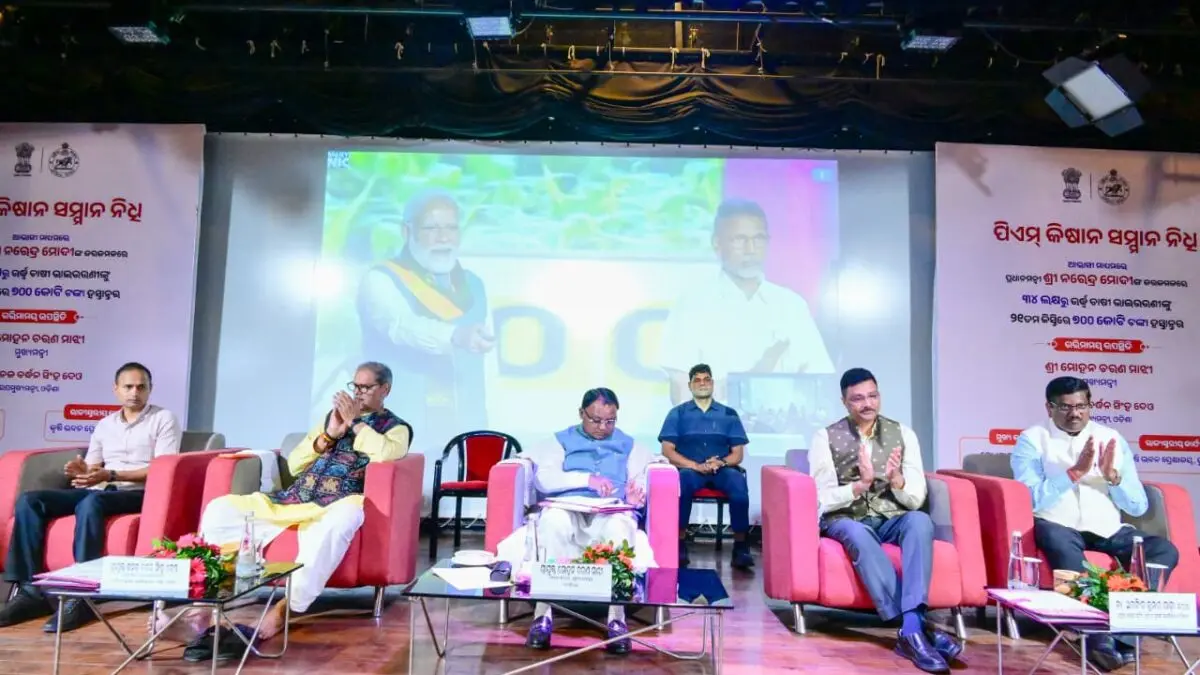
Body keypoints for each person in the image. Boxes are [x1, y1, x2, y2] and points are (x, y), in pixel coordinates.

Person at [152, 362, 411, 648]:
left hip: (337, 502)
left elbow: (386, 454)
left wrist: (356, 424)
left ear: (385, 389)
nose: (358, 393)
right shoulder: (332, 419)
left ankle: (281, 612)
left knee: (341, 521)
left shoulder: (396, 428)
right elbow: (296, 464)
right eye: (355, 386)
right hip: (294, 498)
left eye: (366, 387)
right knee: (220, 509)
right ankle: (201, 612)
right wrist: (329, 435)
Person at [1012, 376, 1179, 672]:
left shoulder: (1110, 438)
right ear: (1049, 408)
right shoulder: (1032, 439)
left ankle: (1125, 635)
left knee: (1163, 550)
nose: (1074, 414)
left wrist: (1114, 478)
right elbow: (1031, 499)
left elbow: (1137, 506)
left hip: (1108, 528)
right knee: (1059, 543)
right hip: (1057, 523)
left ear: (1090, 405)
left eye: (1081, 406)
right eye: (1065, 407)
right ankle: (1095, 637)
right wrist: (1073, 474)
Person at [0, 362, 182, 632]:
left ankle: (82, 595)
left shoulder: (164, 418)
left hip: (138, 493)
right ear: (116, 389)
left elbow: (162, 468)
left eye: (141, 387)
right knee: (31, 501)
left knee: (90, 502)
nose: (135, 392)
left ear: (150, 389)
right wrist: (82, 470)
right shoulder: (105, 424)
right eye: (128, 387)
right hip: (101, 489)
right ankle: (29, 592)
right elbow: (93, 466)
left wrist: (111, 475)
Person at [809, 368, 961, 674]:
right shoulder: (825, 437)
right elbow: (820, 498)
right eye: (858, 399)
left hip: (891, 516)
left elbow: (915, 498)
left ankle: (911, 630)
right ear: (844, 402)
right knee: (857, 533)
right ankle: (916, 629)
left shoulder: (903, 434)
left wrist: (898, 481)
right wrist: (858, 486)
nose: (867, 404)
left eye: (873, 396)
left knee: (919, 521)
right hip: (846, 518)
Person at [495, 388, 657, 655]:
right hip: (566, 507)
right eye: (596, 420)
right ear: (581, 413)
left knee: (620, 528)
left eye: (610, 421)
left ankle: (617, 619)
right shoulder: (560, 441)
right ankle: (542, 615)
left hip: (610, 510)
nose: (603, 428)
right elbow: (544, 479)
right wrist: (586, 480)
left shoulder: (629, 444)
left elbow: (640, 478)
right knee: (552, 524)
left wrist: (635, 494)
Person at [658, 198, 835, 404]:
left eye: (758, 239)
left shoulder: (791, 305)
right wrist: (752, 380)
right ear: (717, 243)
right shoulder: (692, 305)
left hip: (785, 423)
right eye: (739, 240)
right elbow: (681, 393)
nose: (750, 249)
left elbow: (820, 382)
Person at [357, 190, 491, 444]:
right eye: (431, 228)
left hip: (466, 430)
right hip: (399, 432)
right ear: (407, 232)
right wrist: (454, 335)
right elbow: (401, 326)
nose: (443, 237)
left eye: (451, 228)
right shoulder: (381, 279)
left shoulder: (474, 284)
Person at [657, 363, 753, 570]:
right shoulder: (677, 414)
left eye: (706, 379)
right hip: (690, 469)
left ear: (712, 383)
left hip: (721, 469)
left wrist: (721, 462)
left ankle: (741, 547)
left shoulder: (729, 414)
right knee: (682, 483)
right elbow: (667, 450)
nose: (702, 383)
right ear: (690, 385)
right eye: (697, 380)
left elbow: (738, 454)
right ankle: (679, 544)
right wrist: (694, 465)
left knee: (738, 483)